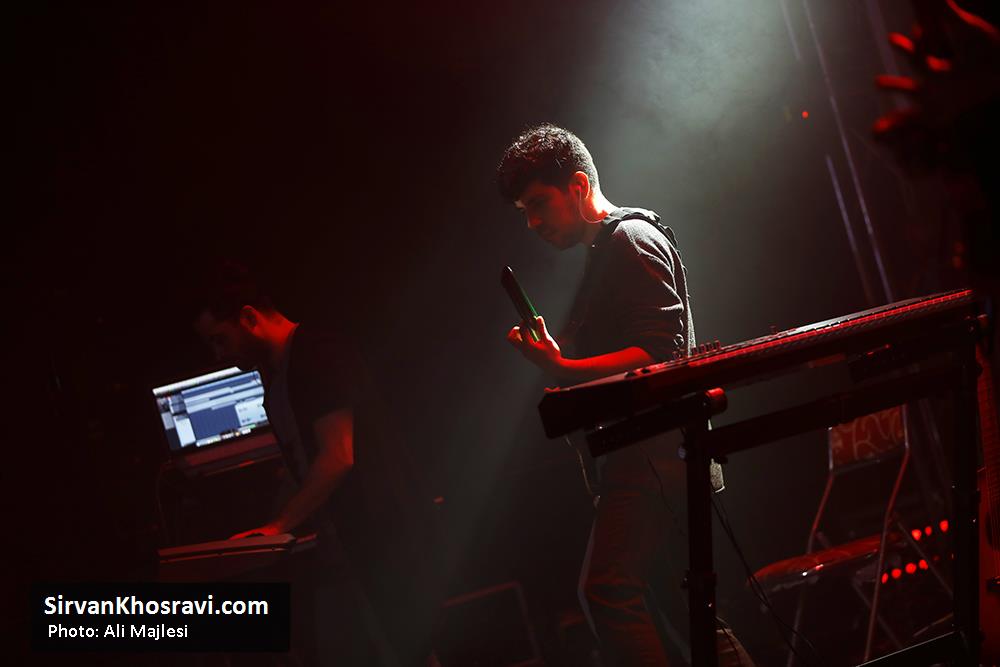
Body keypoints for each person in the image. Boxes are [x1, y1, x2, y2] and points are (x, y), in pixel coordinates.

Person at [498, 123, 752, 666]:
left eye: (538, 204)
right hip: (653, 455)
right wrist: (563, 358)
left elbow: (658, 353)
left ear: (578, 185)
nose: (532, 222)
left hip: (656, 455)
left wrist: (562, 366)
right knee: (691, 615)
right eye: (524, 211)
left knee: (609, 591)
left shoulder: (629, 240)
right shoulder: (608, 250)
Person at [192, 262, 440, 666]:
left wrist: (277, 527)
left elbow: (338, 456)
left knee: (405, 650)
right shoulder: (278, 371)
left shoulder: (316, 353)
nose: (220, 355)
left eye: (220, 340)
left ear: (249, 317)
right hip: (352, 541)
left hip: (382, 539)